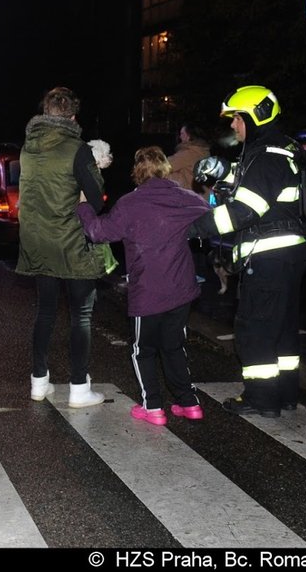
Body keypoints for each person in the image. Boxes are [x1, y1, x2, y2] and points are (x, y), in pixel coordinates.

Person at [189, 85, 306, 418]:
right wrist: (223, 172)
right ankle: (284, 394)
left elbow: (244, 210)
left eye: (236, 119)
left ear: (253, 117)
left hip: (269, 255)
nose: (232, 126)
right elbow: (255, 186)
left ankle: (261, 399)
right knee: (282, 330)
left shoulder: (268, 157)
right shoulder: (278, 149)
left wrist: (194, 227)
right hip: (288, 254)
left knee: (255, 329)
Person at [76, 147, 210, 425]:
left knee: (143, 349)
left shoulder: (129, 204)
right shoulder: (183, 197)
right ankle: (189, 403)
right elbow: (209, 212)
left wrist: (83, 206)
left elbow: (99, 232)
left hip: (148, 291)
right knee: (174, 345)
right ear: (164, 169)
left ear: (137, 173)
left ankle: (153, 408)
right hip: (181, 287)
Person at [16, 86, 117, 408]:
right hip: (72, 241)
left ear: (45, 114)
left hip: (36, 240)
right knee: (81, 315)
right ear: (73, 117)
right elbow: (97, 198)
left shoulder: (28, 148)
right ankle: (78, 388)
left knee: (45, 312)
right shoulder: (77, 149)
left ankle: (38, 382)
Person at [167, 125, 212, 198]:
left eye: (182, 134)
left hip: (189, 197)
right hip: (202, 195)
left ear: (189, 136)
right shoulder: (204, 151)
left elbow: (164, 166)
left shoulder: (188, 153)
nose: (180, 137)